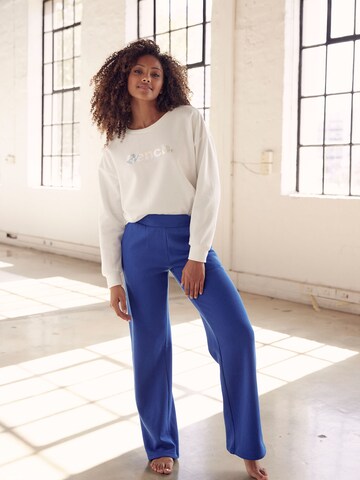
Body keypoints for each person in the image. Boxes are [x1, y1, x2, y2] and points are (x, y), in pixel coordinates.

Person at [91, 39, 268, 479]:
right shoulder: (114, 143)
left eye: (154, 73)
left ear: (164, 79)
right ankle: (161, 444)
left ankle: (247, 444)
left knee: (237, 334)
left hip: (188, 238)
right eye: (138, 72)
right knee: (149, 347)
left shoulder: (186, 120)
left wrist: (197, 254)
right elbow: (110, 216)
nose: (146, 79)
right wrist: (113, 278)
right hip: (138, 244)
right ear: (123, 79)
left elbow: (209, 188)